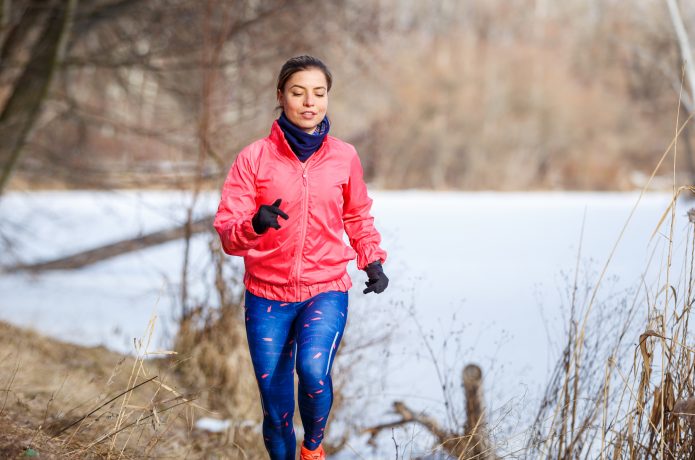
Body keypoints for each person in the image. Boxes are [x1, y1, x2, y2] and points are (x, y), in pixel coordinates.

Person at [213, 55, 389, 460]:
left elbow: (357, 214)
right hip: (266, 295)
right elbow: (228, 233)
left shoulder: (344, 156)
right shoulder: (253, 159)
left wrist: (372, 259)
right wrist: (255, 224)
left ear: (327, 98)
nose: (309, 102)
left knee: (313, 371)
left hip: (324, 287)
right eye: (298, 92)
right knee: (275, 412)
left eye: (319, 93)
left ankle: (313, 448)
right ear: (280, 97)